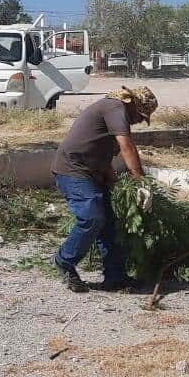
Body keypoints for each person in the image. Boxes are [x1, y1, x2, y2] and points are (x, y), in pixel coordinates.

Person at [50, 85, 157, 293]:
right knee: (92, 217)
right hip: (72, 171)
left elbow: (103, 155)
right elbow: (127, 147)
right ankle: (63, 261)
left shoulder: (114, 112)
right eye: (142, 116)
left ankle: (115, 278)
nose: (140, 121)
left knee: (108, 224)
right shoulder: (115, 108)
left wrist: (116, 185)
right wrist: (141, 183)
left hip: (91, 173)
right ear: (133, 104)